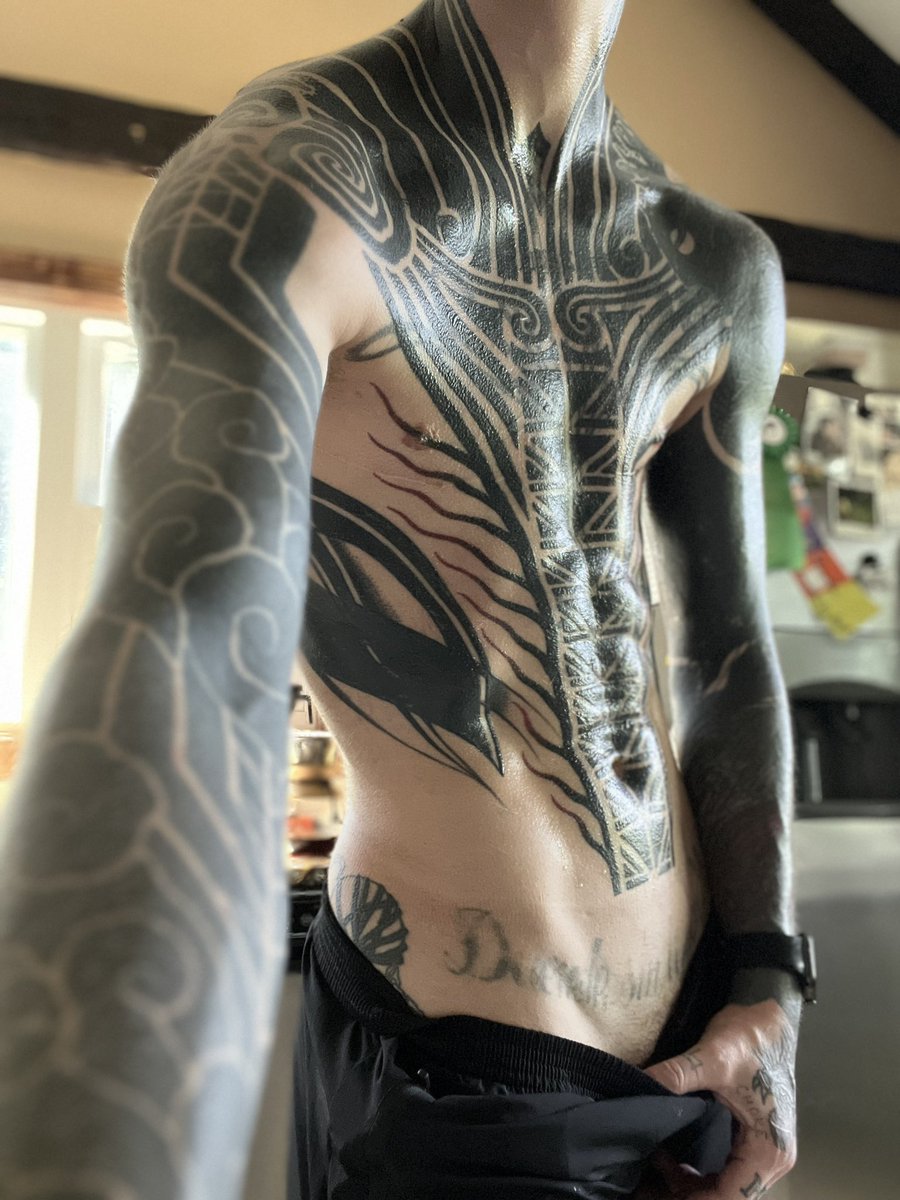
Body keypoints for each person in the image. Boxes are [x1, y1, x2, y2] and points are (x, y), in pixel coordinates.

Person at [0, 1, 808, 1197]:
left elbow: (729, 654)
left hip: (694, 1054)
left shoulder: (715, 265)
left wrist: (769, 980)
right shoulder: (291, 176)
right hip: (457, 1068)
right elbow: (188, 633)